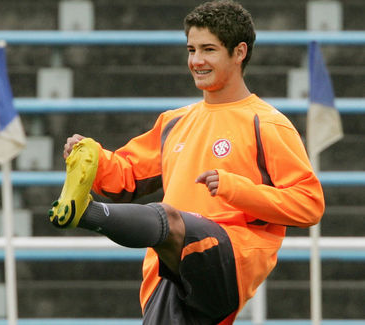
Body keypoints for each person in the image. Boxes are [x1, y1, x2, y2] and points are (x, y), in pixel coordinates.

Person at [49, 0, 325, 324]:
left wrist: (235, 188)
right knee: (170, 225)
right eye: (191, 49)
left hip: (231, 256)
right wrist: (94, 159)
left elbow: (309, 205)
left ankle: (86, 213)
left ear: (239, 52)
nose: (196, 61)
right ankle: (87, 206)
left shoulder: (266, 123)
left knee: (170, 218)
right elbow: (128, 178)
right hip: (166, 268)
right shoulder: (174, 121)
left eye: (208, 49)